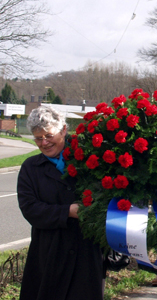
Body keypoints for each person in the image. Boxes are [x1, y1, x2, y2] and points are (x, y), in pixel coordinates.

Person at [17, 106, 104, 300]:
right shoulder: (31, 168)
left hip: (86, 252)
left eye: (49, 136)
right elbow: (30, 208)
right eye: (38, 138)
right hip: (48, 253)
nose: (44, 143)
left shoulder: (88, 158)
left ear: (63, 130)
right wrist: (67, 211)